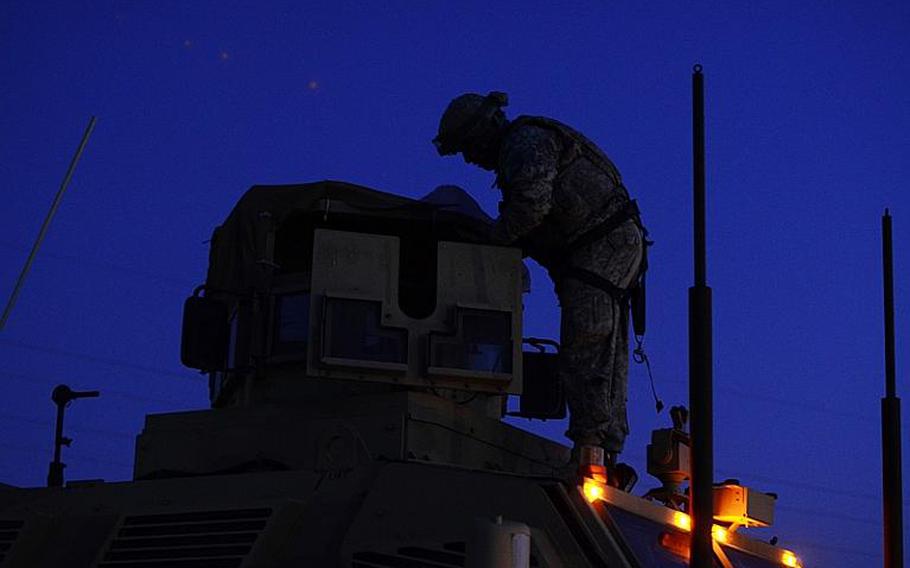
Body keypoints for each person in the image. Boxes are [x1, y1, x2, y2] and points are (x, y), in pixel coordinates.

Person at [433, 91, 647, 480]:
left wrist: (494, 241)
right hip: (604, 247)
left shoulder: (524, 143)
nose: (468, 158)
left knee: (586, 343)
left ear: (482, 131)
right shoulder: (525, 143)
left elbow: (531, 206)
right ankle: (603, 449)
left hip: (599, 247)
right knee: (602, 347)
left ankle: (592, 453)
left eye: (466, 146)